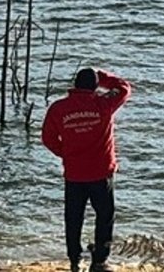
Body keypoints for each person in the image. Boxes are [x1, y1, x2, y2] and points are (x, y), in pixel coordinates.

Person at [41, 68, 133, 272]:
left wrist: (66, 152)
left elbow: (48, 138)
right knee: (105, 215)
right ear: (95, 85)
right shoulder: (103, 103)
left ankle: (75, 259)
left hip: (75, 173)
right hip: (101, 172)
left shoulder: (59, 108)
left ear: (75, 85)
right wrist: (104, 76)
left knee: (74, 217)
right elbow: (124, 88)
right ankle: (99, 260)